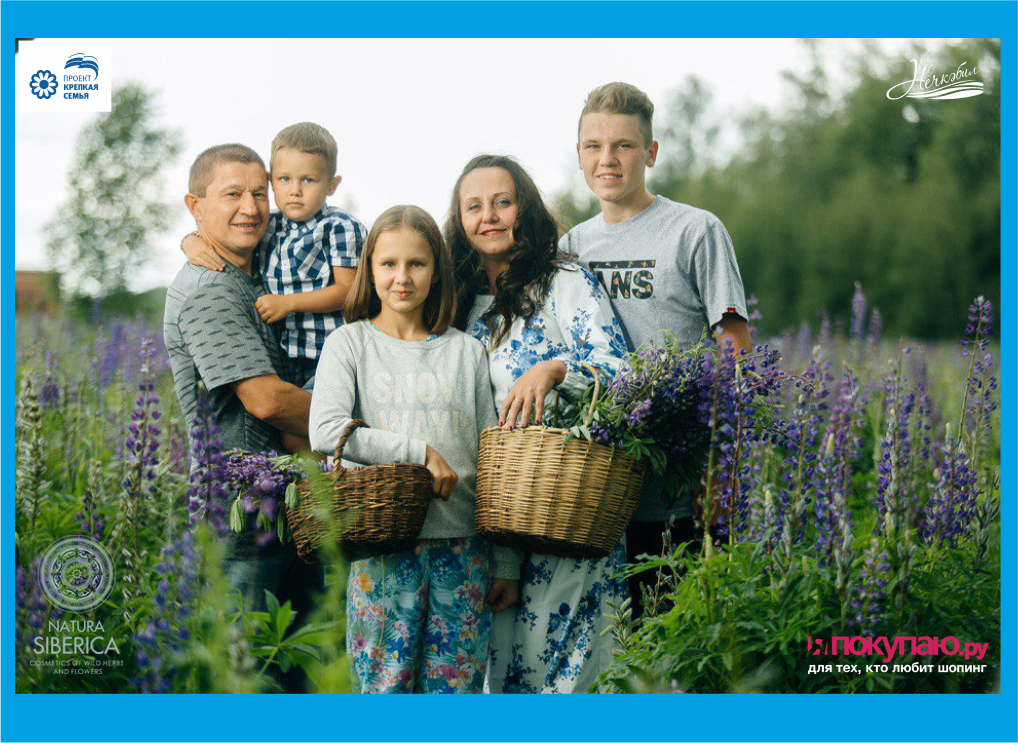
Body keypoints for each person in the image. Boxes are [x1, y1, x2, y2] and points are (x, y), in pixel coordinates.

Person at [308, 205, 520, 693]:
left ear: (436, 271)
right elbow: (326, 429)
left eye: (416, 264)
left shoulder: (467, 351)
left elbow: (492, 462)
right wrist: (417, 451)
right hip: (383, 552)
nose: (401, 277)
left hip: (463, 553)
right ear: (370, 269)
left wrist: (506, 563)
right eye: (388, 264)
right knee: (385, 691)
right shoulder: (349, 344)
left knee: (456, 693)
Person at [564, 82, 752, 613]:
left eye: (623, 145)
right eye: (593, 146)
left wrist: (724, 467)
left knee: (680, 650)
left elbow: (735, 351)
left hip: (681, 487)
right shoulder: (569, 248)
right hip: (597, 493)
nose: (608, 159)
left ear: (650, 152)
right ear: (578, 155)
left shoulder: (695, 231)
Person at [446, 154, 629, 693]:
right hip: (491, 518)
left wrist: (554, 369)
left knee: (568, 679)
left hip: (564, 509)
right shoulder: (456, 301)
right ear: (458, 220)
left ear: (524, 209)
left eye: (503, 202)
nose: (490, 216)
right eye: (474, 207)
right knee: (497, 674)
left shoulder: (563, 281)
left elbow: (622, 371)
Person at [163, 143, 322, 691]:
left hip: (283, 507)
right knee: (246, 675)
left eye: (260, 193)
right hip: (238, 514)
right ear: (195, 204)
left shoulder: (254, 267)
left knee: (293, 673)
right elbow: (266, 401)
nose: (250, 207)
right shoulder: (208, 291)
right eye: (232, 194)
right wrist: (363, 418)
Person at [181, 122, 367, 387]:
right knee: (288, 422)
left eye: (309, 180)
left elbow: (349, 292)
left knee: (307, 422)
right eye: (284, 179)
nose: (295, 190)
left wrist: (288, 303)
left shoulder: (338, 227)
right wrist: (191, 240)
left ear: (331, 185)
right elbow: (225, 235)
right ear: (271, 180)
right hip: (285, 355)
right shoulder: (268, 225)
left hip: (332, 354)